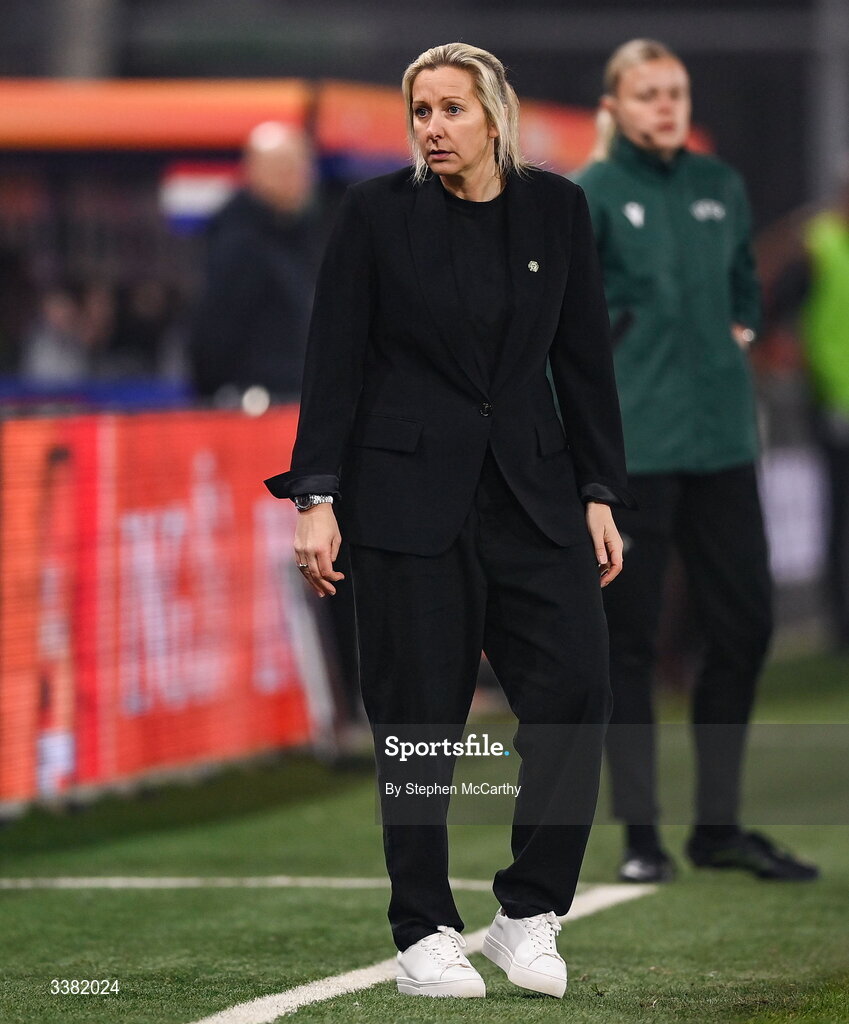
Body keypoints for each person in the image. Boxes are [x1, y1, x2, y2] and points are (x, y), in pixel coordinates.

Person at [265, 42, 633, 999]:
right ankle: (423, 928)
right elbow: (331, 359)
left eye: (450, 110)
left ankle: (528, 914)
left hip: (534, 496)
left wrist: (599, 489)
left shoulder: (558, 208)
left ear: (494, 116)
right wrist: (316, 497)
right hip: (402, 507)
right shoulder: (374, 217)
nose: (431, 127)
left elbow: (585, 357)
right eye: (419, 110)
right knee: (419, 723)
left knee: (576, 694)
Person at [577, 38, 819, 884]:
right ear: (614, 108)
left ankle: (717, 826)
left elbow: (747, 284)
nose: (665, 106)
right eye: (646, 94)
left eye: (674, 92)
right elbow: (564, 323)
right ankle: (640, 836)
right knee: (630, 644)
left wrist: (743, 329)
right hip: (633, 450)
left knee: (745, 624)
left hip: (721, 442)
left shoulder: (720, 187)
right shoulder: (591, 195)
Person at [767, 169, 849, 653]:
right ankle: (841, 627)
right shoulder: (818, 243)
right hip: (834, 400)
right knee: (838, 513)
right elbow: (780, 305)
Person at [190, 121, 318, 403]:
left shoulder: (293, 236)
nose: (301, 179)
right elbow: (216, 332)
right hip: (253, 404)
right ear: (257, 172)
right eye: (288, 169)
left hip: (289, 399)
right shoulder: (239, 243)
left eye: (302, 168)